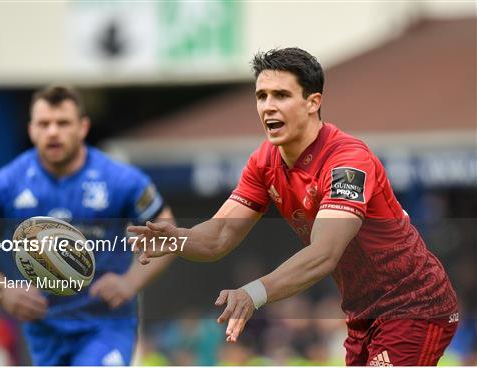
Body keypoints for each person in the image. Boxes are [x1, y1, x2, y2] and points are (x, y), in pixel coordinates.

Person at [128, 47, 459, 366]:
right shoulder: (264, 162)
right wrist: (177, 239)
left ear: (313, 102)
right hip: (362, 316)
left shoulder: (348, 162)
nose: (268, 107)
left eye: (281, 95)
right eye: (262, 96)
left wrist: (254, 293)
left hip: (414, 305)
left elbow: (324, 253)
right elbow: (220, 234)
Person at [0, 85, 175, 365]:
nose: (52, 131)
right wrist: (1, 290)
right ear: (31, 130)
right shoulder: (6, 184)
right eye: (44, 124)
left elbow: (169, 235)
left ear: (83, 128)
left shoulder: (120, 180)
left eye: (62, 123)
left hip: (106, 325)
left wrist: (130, 282)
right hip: (44, 328)